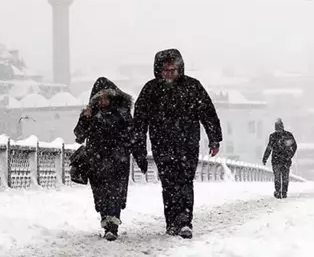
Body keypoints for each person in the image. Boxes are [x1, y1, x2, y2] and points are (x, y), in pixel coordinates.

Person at [133, 49, 222, 239]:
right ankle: (171, 222)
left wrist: (214, 138)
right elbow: (139, 121)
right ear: (159, 70)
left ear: (179, 69)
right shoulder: (150, 90)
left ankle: (184, 221)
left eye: (173, 70)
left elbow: (208, 112)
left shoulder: (192, 87)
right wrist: (138, 147)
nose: (170, 74)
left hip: (187, 144)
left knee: (185, 181)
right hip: (162, 144)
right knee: (169, 183)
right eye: (166, 70)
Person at [74, 77, 148, 241]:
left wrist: (140, 157)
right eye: (100, 98)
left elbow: (133, 137)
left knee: (115, 192)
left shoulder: (122, 114)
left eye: (106, 97)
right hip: (96, 161)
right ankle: (106, 219)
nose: (103, 101)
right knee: (100, 194)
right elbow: (79, 136)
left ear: (114, 97)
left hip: (118, 161)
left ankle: (112, 225)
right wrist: (85, 118)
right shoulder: (91, 114)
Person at [262, 119, 298, 199]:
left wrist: (265, 158)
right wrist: (290, 155)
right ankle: (283, 192)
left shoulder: (273, 136)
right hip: (285, 160)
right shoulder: (288, 135)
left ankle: (279, 192)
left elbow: (269, 148)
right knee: (284, 177)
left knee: (278, 177)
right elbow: (294, 146)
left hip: (277, 160)